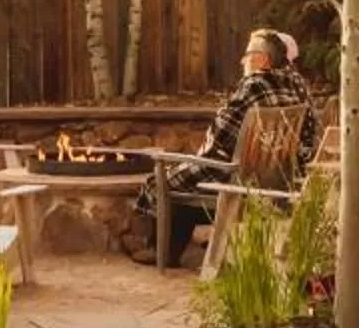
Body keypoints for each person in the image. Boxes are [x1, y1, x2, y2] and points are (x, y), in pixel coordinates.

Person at [131, 27, 316, 266]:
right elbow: (309, 134)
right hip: (279, 182)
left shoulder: (253, 86)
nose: (242, 61)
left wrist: (201, 152)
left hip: (239, 182)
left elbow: (220, 139)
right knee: (187, 180)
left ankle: (162, 251)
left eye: (247, 54)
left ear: (263, 60)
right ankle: (166, 251)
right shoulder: (296, 84)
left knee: (160, 181)